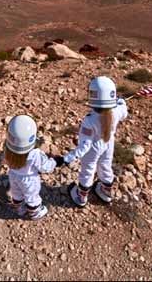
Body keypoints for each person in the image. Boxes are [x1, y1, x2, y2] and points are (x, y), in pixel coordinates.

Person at [63, 76, 128, 207]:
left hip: (93, 147)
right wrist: (121, 102)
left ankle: (81, 197)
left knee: (88, 169)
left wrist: (68, 157)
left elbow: (85, 145)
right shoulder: (116, 111)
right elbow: (124, 112)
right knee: (105, 165)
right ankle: (106, 191)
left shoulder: (89, 120)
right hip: (108, 143)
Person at [4, 114, 61, 220]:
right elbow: (45, 167)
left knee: (16, 194)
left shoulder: (7, 148)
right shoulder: (35, 153)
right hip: (29, 180)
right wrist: (55, 162)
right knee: (32, 198)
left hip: (13, 175)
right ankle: (35, 214)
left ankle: (20, 210)